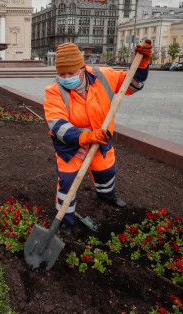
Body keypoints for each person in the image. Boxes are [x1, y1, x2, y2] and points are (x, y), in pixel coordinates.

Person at [44, 41, 153, 234]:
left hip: (100, 141)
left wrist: (142, 64)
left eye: (71, 73)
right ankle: (65, 219)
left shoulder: (103, 75)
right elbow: (57, 125)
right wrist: (84, 136)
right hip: (71, 147)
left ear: (82, 68)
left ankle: (107, 195)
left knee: (106, 171)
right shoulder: (54, 91)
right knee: (68, 181)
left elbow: (132, 84)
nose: (66, 78)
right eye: (62, 74)